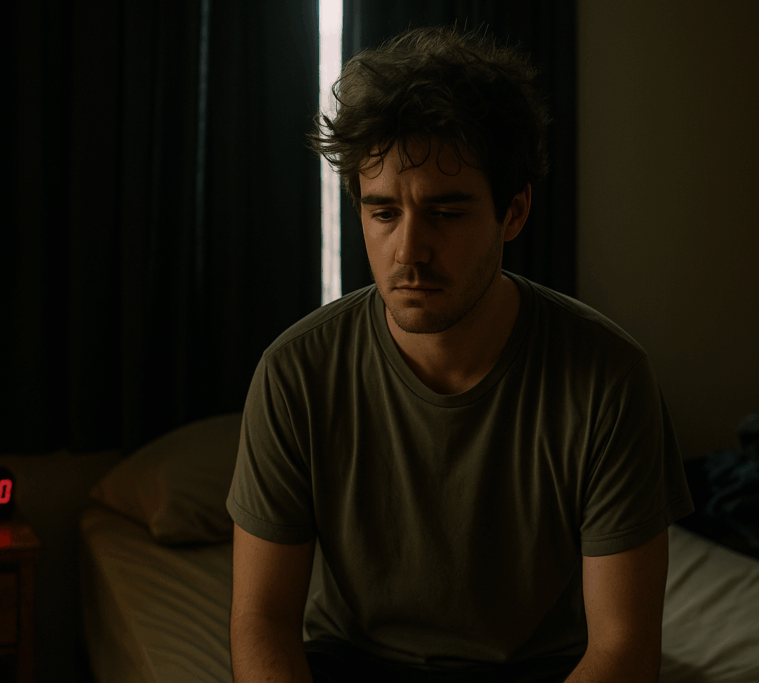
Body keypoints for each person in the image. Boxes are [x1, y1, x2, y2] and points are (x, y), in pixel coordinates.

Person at [227, 25, 692, 683]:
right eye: (383, 212)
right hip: (355, 663)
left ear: (514, 212)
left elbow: (621, 647)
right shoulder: (295, 374)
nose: (409, 250)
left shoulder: (607, 377)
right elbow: (264, 620)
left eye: (446, 213)